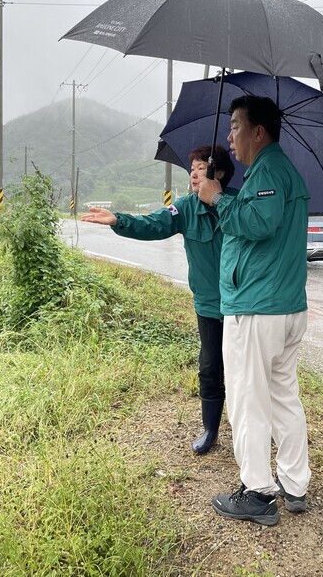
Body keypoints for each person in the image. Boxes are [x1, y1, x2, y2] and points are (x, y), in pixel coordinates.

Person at [197, 94, 311, 526]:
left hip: (258, 308)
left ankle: (258, 492)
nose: (229, 135)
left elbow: (260, 223)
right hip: (284, 307)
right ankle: (294, 484)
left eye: (236, 126)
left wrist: (217, 198)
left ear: (258, 132)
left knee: (248, 398)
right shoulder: (282, 172)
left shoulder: (268, 171)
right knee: (283, 396)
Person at [81, 145, 236, 455]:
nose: (193, 173)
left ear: (218, 173)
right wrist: (118, 220)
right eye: (191, 168)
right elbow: (154, 224)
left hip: (241, 306)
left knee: (243, 370)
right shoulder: (185, 208)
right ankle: (211, 431)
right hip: (208, 305)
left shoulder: (235, 206)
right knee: (209, 366)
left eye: (201, 167)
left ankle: (251, 430)